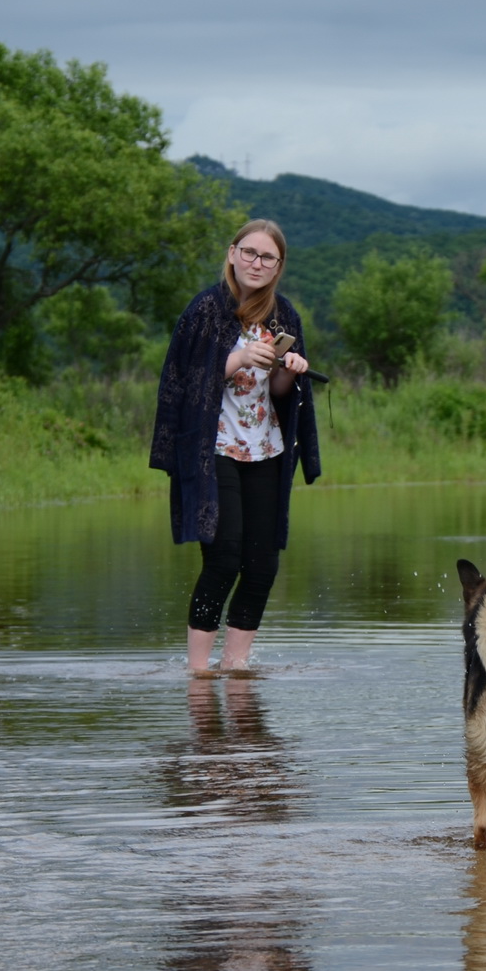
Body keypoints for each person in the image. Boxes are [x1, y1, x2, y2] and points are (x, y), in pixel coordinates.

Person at [151, 220, 322, 672]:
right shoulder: (206, 309)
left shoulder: (284, 314)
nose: (256, 263)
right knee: (224, 558)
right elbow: (183, 383)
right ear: (231, 254)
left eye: (268, 257)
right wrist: (242, 356)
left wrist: (291, 368)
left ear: (279, 266)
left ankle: (236, 668)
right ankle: (198, 671)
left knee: (262, 564)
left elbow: (282, 395)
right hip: (214, 450)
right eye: (249, 253)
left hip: (267, 449)